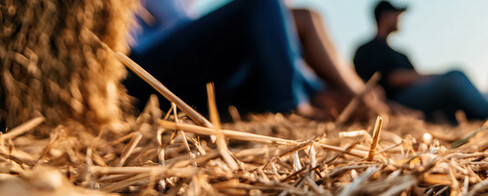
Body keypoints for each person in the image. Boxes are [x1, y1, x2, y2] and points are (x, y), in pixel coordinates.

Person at [125, 0, 386, 121]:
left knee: (303, 15)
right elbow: (180, 27)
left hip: (182, 71)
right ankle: (293, 103)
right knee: (262, 4)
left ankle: (340, 96)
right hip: (146, 72)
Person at [353, 1, 488, 124]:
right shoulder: (368, 49)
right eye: (396, 14)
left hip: (415, 97)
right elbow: (393, 78)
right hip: (395, 101)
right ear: (385, 16)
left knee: (452, 96)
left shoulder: (401, 53)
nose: (399, 18)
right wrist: (437, 77)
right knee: (455, 77)